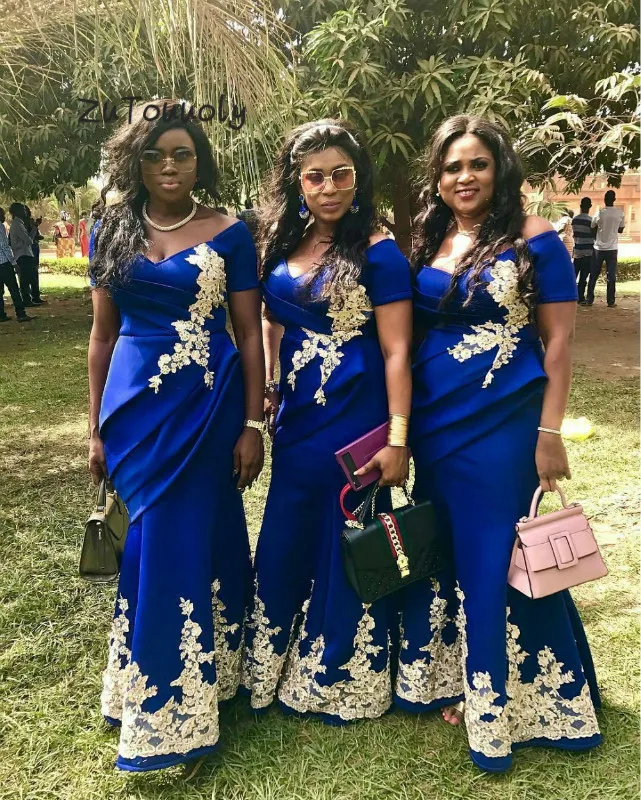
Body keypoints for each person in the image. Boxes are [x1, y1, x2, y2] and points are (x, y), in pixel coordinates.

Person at [409, 115, 601, 773]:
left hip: (502, 422)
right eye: (452, 167)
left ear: (500, 171)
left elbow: (559, 340)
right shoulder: (429, 237)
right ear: (437, 178)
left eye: (478, 164)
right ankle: (462, 677)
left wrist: (549, 433)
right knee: (450, 548)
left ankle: (505, 698)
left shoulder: (534, 239)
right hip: (436, 422)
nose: (464, 177)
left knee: (496, 551)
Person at [88, 99, 265, 774]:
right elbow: (101, 336)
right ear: (135, 161)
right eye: (155, 154)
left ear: (199, 162)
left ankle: (176, 710)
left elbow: (248, 334)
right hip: (134, 412)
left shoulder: (230, 232)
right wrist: (95, 430)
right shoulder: (110, 227)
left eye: (182, 154)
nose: (169, 165)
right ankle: (168, 686)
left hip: (207, 406)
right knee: (153, 541)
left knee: (187, 537)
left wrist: (252, 422)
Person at [242, 119, 413, 722]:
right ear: (297, 183)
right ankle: (271, 660)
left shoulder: (379, 252)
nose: (329, 187)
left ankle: (338, 667)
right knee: (288, 527)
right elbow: (272, 319)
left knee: (347, 531)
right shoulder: (280, 242)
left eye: (341, 174)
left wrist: (398, 438)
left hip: (355, 415)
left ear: (358, 178)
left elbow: (397, 350)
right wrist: (268, 382)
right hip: (295, 419)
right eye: (315, 176)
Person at [590, 190, 625, 308]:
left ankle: (589, 299)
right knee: (611, 275)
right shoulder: (620, 213)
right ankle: (610, 301)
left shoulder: (599, 213)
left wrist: (599, 234)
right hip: (612, 248)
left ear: (604, 200)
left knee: (594, 274)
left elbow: (592, 227)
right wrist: (613, 228)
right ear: (614, 200)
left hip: (598, 248)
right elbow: (621, 229)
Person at [0, 207, 32, 322]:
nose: (4, 217)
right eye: (2, 214)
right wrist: (14, 263)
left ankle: (1, 315)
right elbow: (4, 246)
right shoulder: (0, 226)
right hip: (4, 263)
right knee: (14, 289)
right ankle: (21, 313)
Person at [8, 203, 41, 306]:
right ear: (17, 212)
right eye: (23, 210)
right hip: (23, 255)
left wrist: (34, 228)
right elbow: (29, 241)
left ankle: (28, 299)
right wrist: (34, 229)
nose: (25, 212)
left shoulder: (19, 223)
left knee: (27, 278)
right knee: (25, 279)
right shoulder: (17, 225)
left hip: (25, 253)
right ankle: (26, 300)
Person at [572, 197, 596, 305]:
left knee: (574, 275)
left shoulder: (575, 220)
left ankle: (571, 295)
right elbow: (594, 235)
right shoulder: (591, 221)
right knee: (583, 277)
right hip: (588, 252)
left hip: (577, 251)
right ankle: (580, 297)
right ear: (590, 206)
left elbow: (575, 234)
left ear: (580, 206)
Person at [24, 206, 46, 305]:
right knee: (31, 273)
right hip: (30, 249)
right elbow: (30, 238)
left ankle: (35, 295)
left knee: (34, 272)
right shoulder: (23, 224)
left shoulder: (30, 222)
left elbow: (36, 235)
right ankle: (32, 297)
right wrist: (36, 225)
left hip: (34, 248)